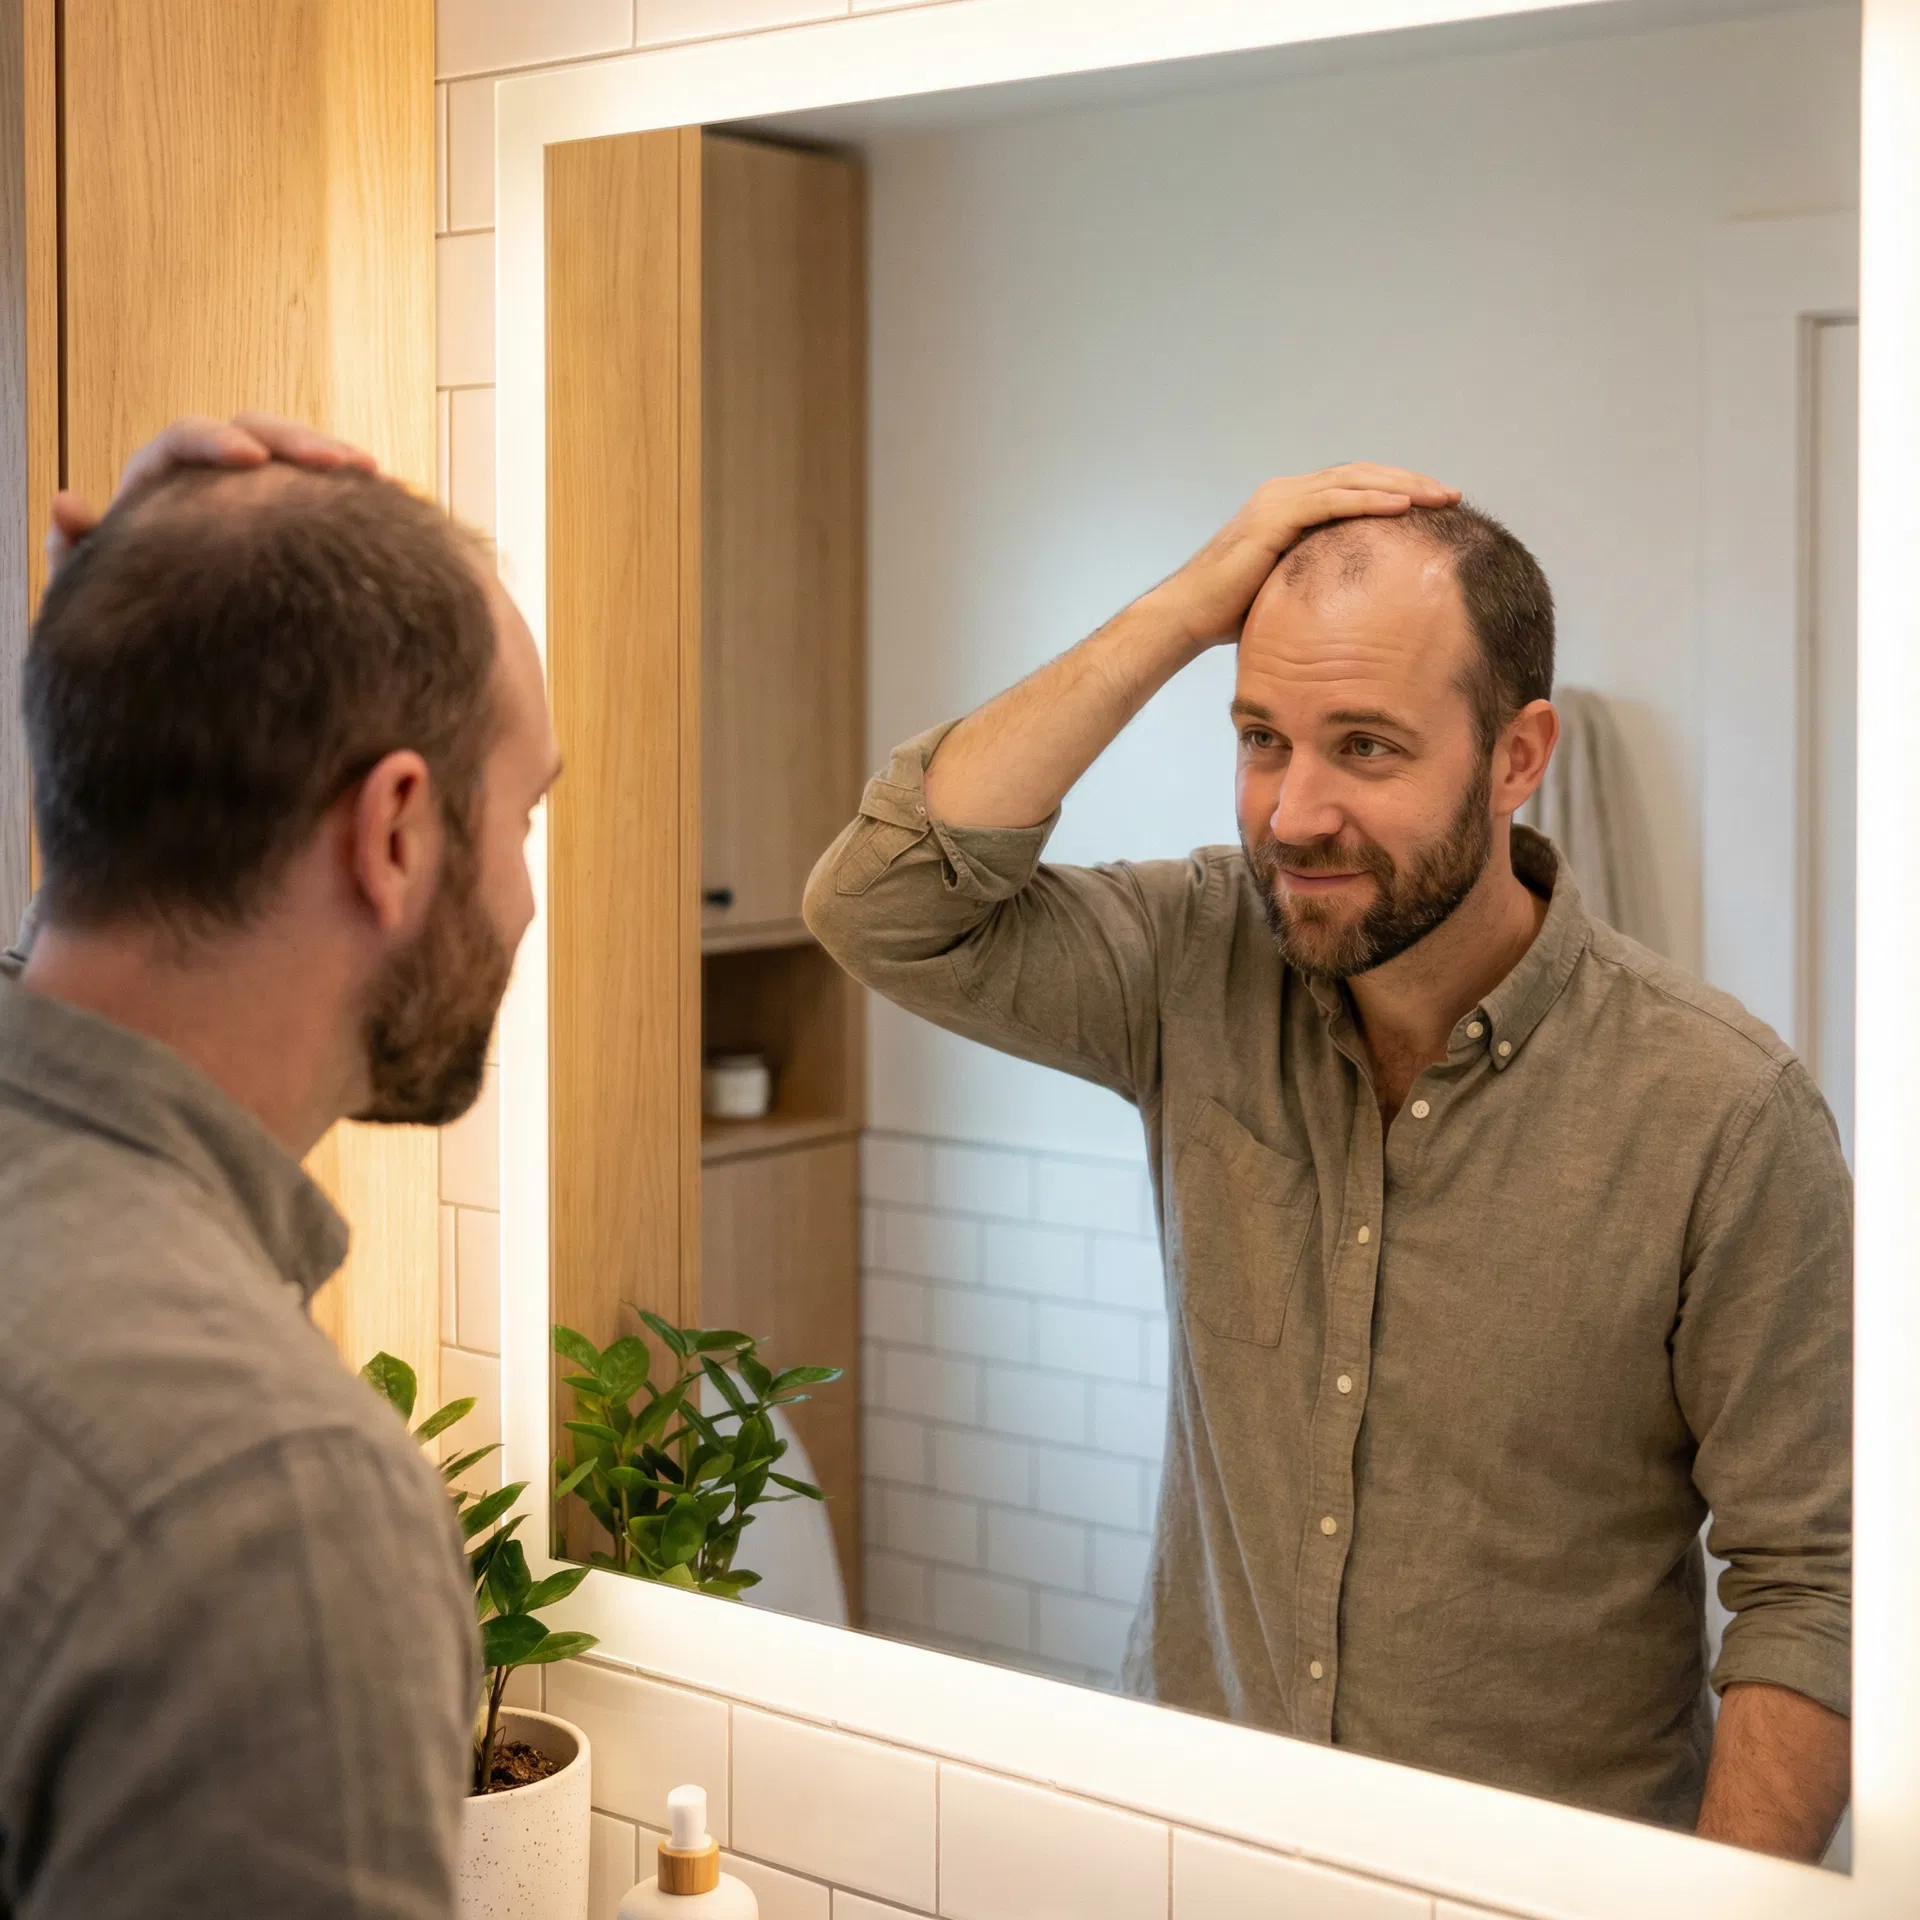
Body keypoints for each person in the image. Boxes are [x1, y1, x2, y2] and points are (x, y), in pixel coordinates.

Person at [804, 465, 1851, 1859]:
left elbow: (1819, 1584)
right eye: (1260, 738)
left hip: (1543, 1887)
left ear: (1518, 757)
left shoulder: (1721, 1111)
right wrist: (1189, 606)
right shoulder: (1194, 962)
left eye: (1365, 747)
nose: (1293, 815)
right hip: (1200, 1850)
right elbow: (884, 905)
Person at [0, 416, 561, 1917]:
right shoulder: (271, 1509)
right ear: (394, 830)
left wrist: (140, 679)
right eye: (523, 816)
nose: (523, 896)